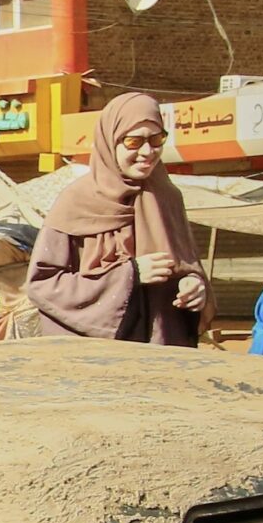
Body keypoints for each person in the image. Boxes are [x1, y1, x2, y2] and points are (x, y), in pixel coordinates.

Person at [29, 92, 208, 344]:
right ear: (110, 142)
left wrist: (195, 285)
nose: (148, 152)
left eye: (156, 139)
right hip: (98, 358)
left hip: (163, 351)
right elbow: (43, 285)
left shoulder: (167, 198)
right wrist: (129, 275)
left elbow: (188, 264)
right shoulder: (76, 202)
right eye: (134, 142)